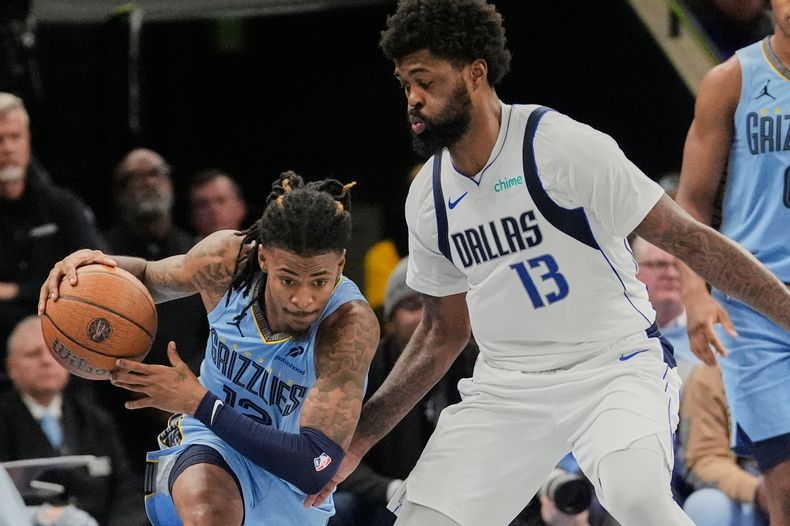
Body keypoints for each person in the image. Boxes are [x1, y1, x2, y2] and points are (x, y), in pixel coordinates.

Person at [304, 1, 790, 525]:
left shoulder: (562, 148)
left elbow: (693, 240)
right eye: (405, 85)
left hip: (613, 368)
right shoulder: (428, 196)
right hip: (508, 387)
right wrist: (357, 440)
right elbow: (439, 333)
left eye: (424, 80)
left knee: (639, 499)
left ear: (475, 72)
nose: (413, 100)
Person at [39, 172, 380, 526]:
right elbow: (146, 276)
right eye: (288, 279)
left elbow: (313, 468)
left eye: (320, 281)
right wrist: (86, 267)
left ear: (340, 263)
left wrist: (197, 401)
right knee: (208, 510)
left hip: (287, 472)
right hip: (209, 443)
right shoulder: (226, 262)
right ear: (264, 258)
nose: (303, 299)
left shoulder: (347, 326)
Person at [675, 1, 790, 523]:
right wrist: (695, 294)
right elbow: (692, 205)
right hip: (754, 307)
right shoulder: (732, 80)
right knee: (786, 487)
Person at [332, 257, 477, 526]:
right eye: (412, 306)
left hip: (459, 497)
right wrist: (392, 490)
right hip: (382, 496)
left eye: (433, 305)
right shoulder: (362, 366)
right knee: (336, 508)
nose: (425, 317)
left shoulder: (474, 360)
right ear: (390, 317)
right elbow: (336, 453)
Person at [101, 148, 208, 477]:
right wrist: (145, 385)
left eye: (157, 173)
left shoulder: (197, 252)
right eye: (136, 177)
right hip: (124, 413)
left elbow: (222, 330)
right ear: (119, 193)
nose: (149, 183)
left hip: (197, 405)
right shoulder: (103, 256)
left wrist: (184, 387)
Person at [0, 316, 145, 525]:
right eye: (33, 354)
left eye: (53, 353)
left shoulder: (95, 419)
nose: (46, 361)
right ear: (11, 367)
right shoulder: (4, 420)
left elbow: (124, 490)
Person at [0, 92, 104, 361]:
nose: (7, 148)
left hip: (63, 349)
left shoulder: (61, 205)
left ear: (28, 141)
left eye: (15, 137)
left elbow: (98, 269)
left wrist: (16, 291)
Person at [679, 362, 769, 526]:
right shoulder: (711, 372)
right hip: (749, 495)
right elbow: (704, 458)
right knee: (707, 506)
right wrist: (757, 491)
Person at [632, 237, 698, 382]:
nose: (671, 274)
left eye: (678, 267)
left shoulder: (712, 337)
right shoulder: (616, 333)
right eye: (659, 264)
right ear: (633, 271)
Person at [188, 168, 248, 239]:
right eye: (203, 204)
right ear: (193, 213)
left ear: (240, 207)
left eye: (221, 201)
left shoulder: (261, 248)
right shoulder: (181, 249)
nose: (213, 210)